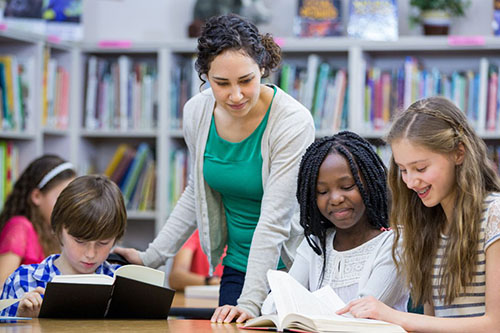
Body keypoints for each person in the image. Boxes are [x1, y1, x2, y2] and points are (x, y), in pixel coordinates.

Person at [114, 13, 315, 323]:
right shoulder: (197, 112)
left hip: (289, 269)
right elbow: (197, 192)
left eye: (246, 80)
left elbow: (275, 219)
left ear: (262, 67)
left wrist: (250, 302)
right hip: (235, 265)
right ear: (205, 75)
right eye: (221, 84)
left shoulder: (292, 122)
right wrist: (150, 258)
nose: (235, 95)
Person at [337, 96, 500, 332]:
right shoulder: (428, 225)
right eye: (403, 170)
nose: (411, 182)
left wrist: (394, 317)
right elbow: (432, 323)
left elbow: (495, 324)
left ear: (459, 154)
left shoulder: (494, 215)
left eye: (421, 168)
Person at [262, 132, 409, 314]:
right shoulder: (315, 246)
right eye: (322, 191)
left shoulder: (395, 244)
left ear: (371, 184)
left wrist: (302, 307)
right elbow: (273, 307)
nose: (336, 198)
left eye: (347, 187)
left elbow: (361, 314)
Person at [0, 175, 127, 318]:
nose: (91, 254)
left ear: (116, 237)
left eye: (103, 243)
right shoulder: (23, 280)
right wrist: (24, 321)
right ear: (58, 229)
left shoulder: (124, 283)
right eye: (80, 241)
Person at [0, 155, 76, 288]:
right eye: (62, 198)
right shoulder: (19, 227)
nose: (69, 207)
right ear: (36, 196)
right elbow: (2, 288)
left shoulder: (53, 233)